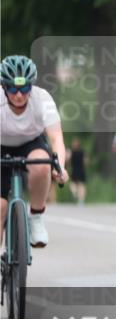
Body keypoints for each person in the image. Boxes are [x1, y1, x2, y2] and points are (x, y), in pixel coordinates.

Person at [0, 55, 68, 248]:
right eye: (12, 89)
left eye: (24, 88)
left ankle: (36, 216)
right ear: (4, 87)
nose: (19, 95)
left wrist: (60, 167)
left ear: (32, 86)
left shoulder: (42, 98)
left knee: (41, 165)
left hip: (31, 142)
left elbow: (56, 138)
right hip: (1, 145)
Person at [68, 138, 87, 205]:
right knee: (81, 185)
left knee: (73, 183)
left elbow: (68, 161)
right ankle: (81, 200)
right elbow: (85, 161)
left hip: (74, 169)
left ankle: (75, 193)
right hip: (81, 169)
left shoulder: (71, 152)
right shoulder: (82, 152)